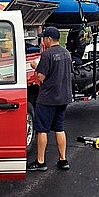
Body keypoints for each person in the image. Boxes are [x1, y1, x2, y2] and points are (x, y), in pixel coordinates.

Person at [28, 26, 73, 172]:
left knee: (42, 130)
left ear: (48, 39)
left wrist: (36, 66)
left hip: (47, 98)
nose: (42, 40)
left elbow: (41, 77)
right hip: (63, 97)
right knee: (59, 128)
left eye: (43, 38)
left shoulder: (47, 55)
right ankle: (63, 160)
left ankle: (40, 162)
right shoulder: (66, 53)